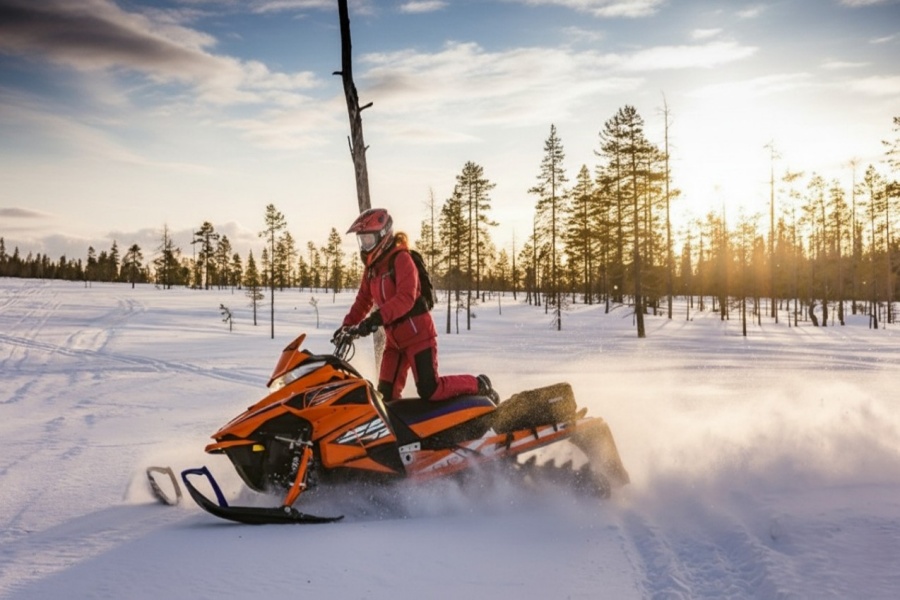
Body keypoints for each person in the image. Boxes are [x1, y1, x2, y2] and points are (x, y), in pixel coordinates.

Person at [336, 207, 498, 403]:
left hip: (418, 336)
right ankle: (403, 434)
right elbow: (363, 301)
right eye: (362, 240)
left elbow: (406, 298)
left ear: (383, 236)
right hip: (394, 343)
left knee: (430, 390)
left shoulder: (402, 259)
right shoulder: (372, 270)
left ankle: (479, 384)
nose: (364, 246)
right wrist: (346, 327)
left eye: (368, 239)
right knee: (385, 398)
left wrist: (375, 319)